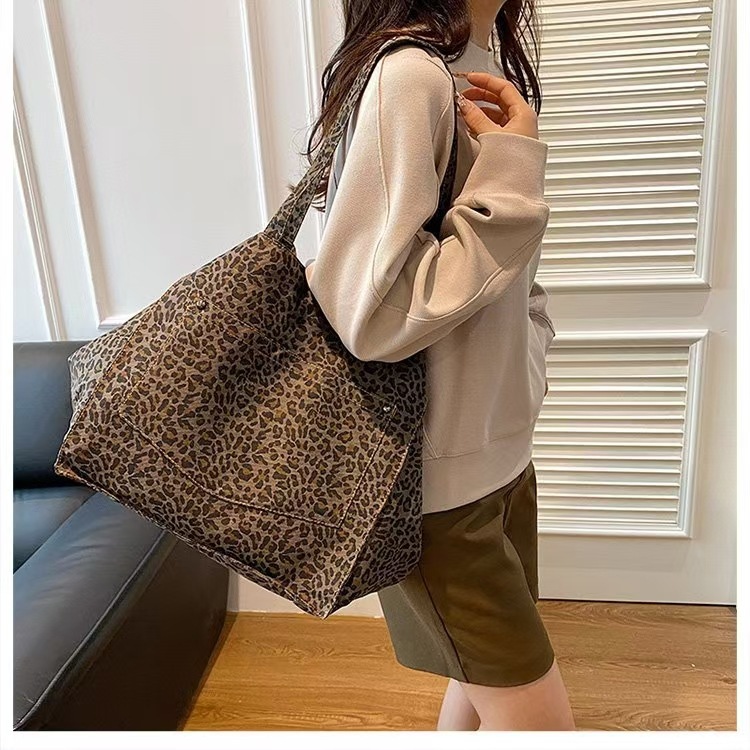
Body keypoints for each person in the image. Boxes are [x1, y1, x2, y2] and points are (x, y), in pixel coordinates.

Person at [302, 0, 576, 732]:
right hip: (440, 493)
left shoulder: (475, 66)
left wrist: (530, 358)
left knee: (480, 686)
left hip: (500, 458)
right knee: (538, 722)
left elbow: (509, 276)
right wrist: (513, 176)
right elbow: (370, 312)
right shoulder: (409, 75)